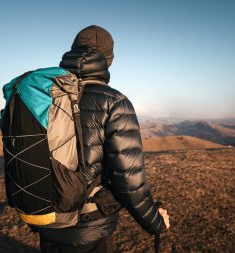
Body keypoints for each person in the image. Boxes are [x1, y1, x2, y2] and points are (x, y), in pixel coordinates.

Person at [36, 25, 170, 253]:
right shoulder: (114, 102)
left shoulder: (43, 96)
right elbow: (129, 181)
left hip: (48, 221)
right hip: (90, 230)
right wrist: (155, 222)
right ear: (108, 60)